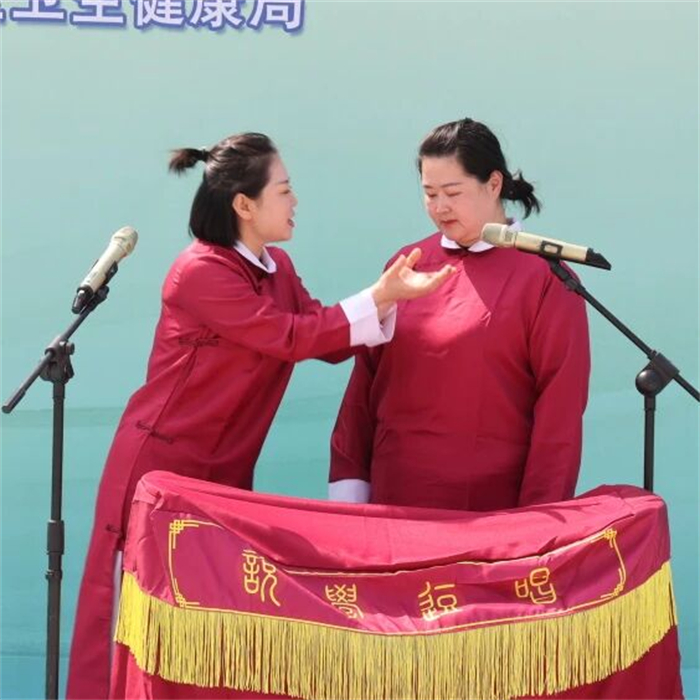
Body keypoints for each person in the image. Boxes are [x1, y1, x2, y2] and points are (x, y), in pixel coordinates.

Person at [66, 131, 455, 699]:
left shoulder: (278, 268)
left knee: (208, 617)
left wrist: (393, 298)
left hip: (224, 472)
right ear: (244, 205)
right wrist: (378, 296)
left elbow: (324, 337)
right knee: (134, 613)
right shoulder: (200, 271)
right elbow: (289, 336)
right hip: (160, 468)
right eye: (284, 190)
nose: (295, 201)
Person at [329, 118, 590, 511]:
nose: (439, 207)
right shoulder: (408, 264)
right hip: (392, 503)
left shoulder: (547, 278)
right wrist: (349, 491)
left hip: (489, 510)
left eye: (452, 192)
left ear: (494, 183)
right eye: (429, 193)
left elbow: (560, 414)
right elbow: (362, 390)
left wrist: (538, 519)